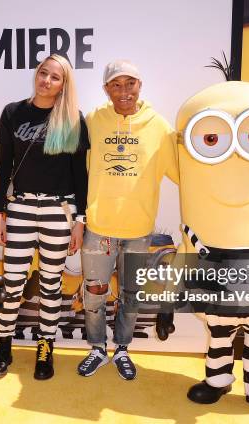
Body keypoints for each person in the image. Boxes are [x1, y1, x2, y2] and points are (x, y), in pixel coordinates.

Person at [77, 60, 179, 380]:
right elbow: (73, 170)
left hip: (138, 230)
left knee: (131, 296)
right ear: (106, 89)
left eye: (130, 84)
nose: (124, 92)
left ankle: (122, 348)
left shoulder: (159, 126)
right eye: (116, 85)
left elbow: (185, 173)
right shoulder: (92, 121)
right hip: (99, 227)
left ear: (140, 85)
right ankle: (96, 347)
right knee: (94, 292)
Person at [0, 54, 89, 380]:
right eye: (43, 73)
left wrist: (80, 220)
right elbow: (4, 166)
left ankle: (45, 351)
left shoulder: (74, 120)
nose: (46, 80)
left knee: (50, 284)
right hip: (19, 207)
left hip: (58, 211)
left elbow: (80, 176)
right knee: (13, 282)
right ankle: (3, 348)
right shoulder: (13, 113)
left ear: (64, 84)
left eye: (55, 77)